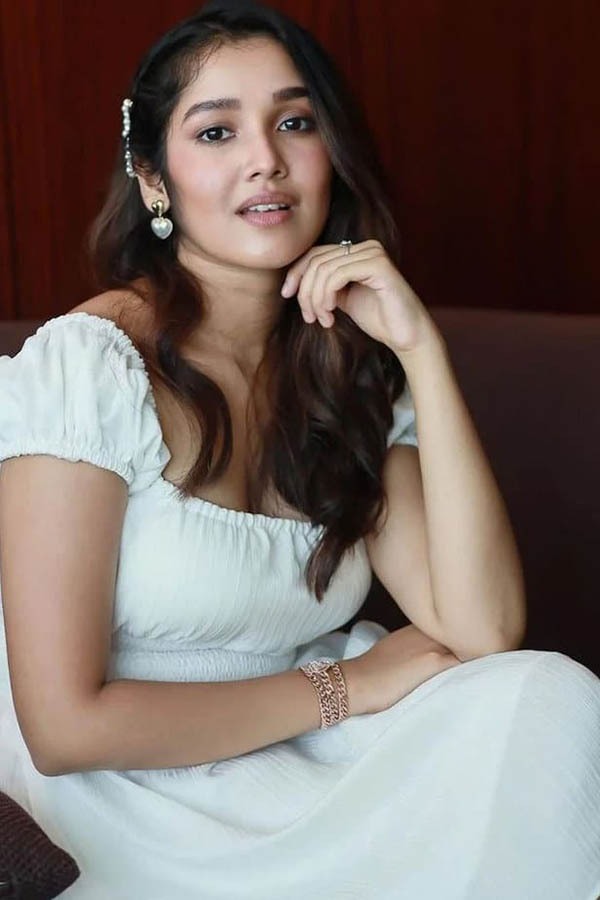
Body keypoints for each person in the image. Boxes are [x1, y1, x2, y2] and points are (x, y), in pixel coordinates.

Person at [1, 2, 599, 897]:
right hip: (123, 798)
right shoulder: (89, 367)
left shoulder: (345, 368)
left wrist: (420, 352)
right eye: (216, 131)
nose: (266, 160)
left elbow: (483, 630)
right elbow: (64, 729)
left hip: (298, 761)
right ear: (153, 179)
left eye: (294, 122)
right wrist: (344, 688)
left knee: (550, 699)